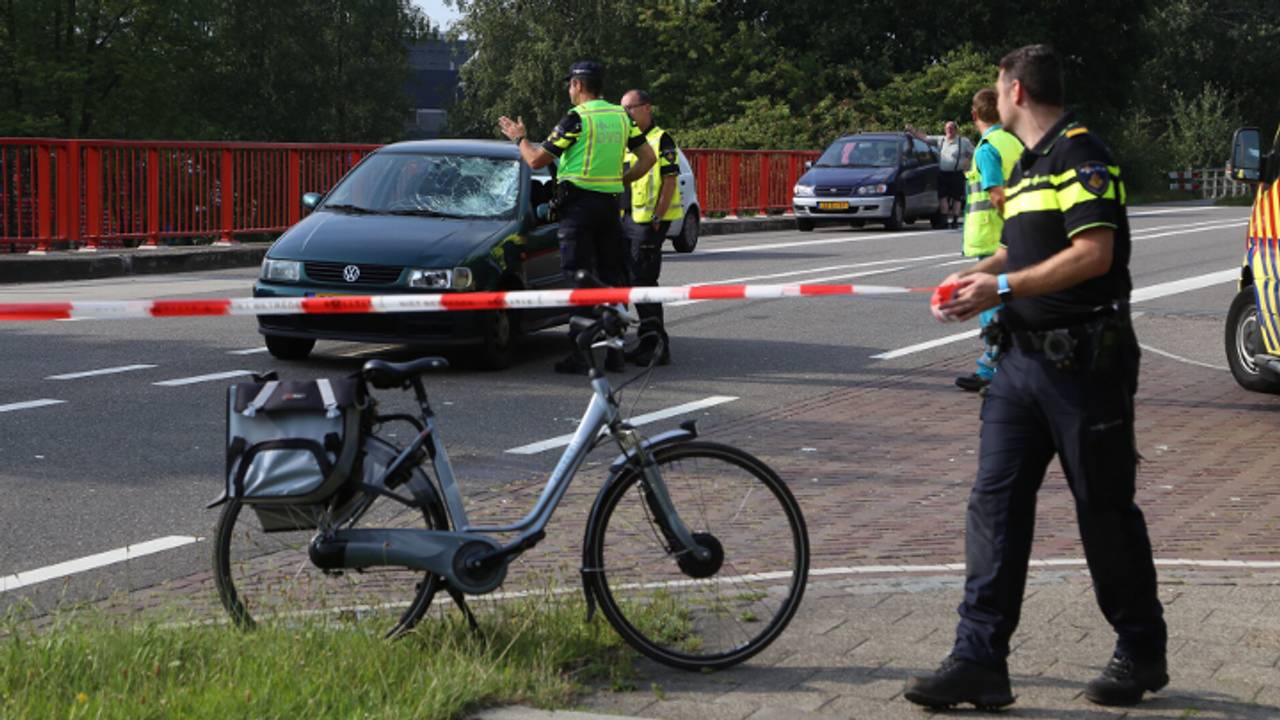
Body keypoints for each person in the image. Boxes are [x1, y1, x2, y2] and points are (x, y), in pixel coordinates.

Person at [904, 45, 1168, 710]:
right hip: (1020, 366)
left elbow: (1092, 253)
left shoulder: (1082, 154)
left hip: (1085, 366)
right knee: (993, 506)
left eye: (997, 84)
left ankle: (1140, 650)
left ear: (1015, 90)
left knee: (1103, 512)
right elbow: (1023, 248)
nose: (994, 94)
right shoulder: (1026, 166)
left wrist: (1004, 283)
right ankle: (978, 660)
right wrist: (978, 277)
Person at [498, 61, 656, 374]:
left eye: (570, 84)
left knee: (578, 279)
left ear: (579, 86)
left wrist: (519, 138)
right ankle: (614, 353)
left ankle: (581, 353)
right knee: (612, 279)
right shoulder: (620, 116)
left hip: (579, 209)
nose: (569, 89)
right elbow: (648, 158)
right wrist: (621, 181)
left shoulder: (577, 118)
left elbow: (535, 160)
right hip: (610, 208)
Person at [954, 88, 1024, 393]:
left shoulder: (986, 148)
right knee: (1008, 299)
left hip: (993, 238)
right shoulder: (1014, 142)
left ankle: (992, 367)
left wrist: (1015, 226)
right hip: (1013, 237)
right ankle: (1001, 364)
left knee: (989, 303)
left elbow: (996, 195)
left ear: (974, 115)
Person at [620, 89, 681, 366]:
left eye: (630, 108)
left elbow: (669, 181)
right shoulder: (627, 141)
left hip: (648, 223)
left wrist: (658, 217)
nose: (626, 114)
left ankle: (657, 345)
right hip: (627, 219)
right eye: (623, 109)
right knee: (628, 281)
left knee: (643, 281)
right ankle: (643, 341)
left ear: (646, 108)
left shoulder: (661, 139)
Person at [936, 121, 974, 228]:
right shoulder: (941, 140)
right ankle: (944, 221)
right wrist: (913, 132)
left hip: (956, 173)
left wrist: (967, 160)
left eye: (951, 128)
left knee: (956, 198)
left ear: (956, 130)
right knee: (942, 197)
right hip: (943, 173)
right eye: (947, 128)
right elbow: (925, 138)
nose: (949, 130)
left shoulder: (963, 141)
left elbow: (973, 152)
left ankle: (955, 221)